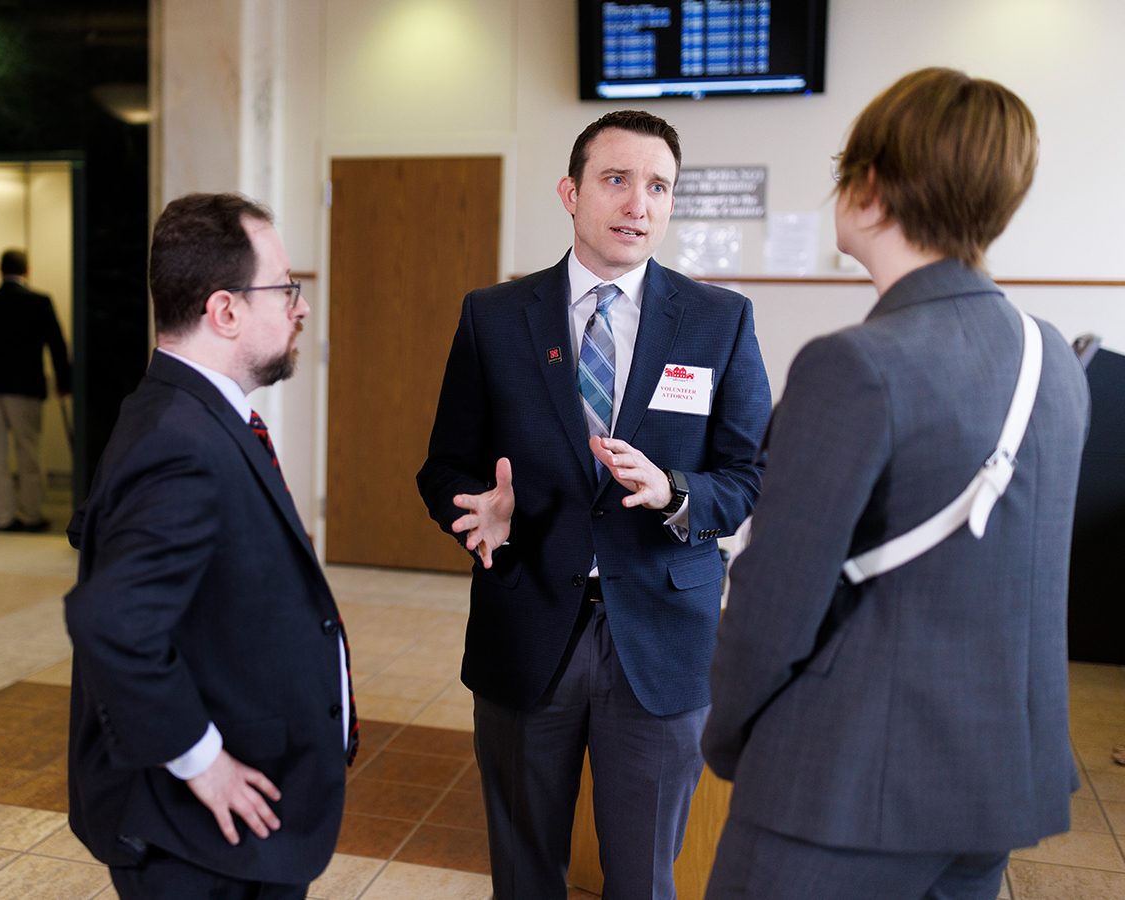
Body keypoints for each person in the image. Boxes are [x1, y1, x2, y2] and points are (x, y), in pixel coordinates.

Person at [702, 68, 1090, 900]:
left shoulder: (856, 365)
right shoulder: (1054, 358)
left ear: (870, 190)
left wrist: (730, 741)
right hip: (992, 789)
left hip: (839, 793)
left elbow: (772, 599)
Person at [417, 110, 772, 900]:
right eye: (616, 179)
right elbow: (444, 465)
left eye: (658, 187)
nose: (637, 203)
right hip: (526, 620)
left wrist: (678, 493)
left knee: (643, 880)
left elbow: (750, 479)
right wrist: (474, 509)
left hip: (661, 637)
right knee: (523, 873)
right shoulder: (494, 318)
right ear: (570, 192)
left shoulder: (720, 321)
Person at [65, 193, 352, 900]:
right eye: (286, 290)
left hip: (239, 831)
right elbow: (112, 620)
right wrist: (201, 762)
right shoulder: (180, 442)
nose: (301, 308)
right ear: (224, 311)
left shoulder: (191, 415)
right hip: (198, 841)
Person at [0, 248, 72, 532]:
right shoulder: (39, 302)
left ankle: (3, 516)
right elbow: (57, 344)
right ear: (27, 270)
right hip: (25, 387)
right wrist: (63, 382)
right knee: (28, 451)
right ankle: (32, 514)